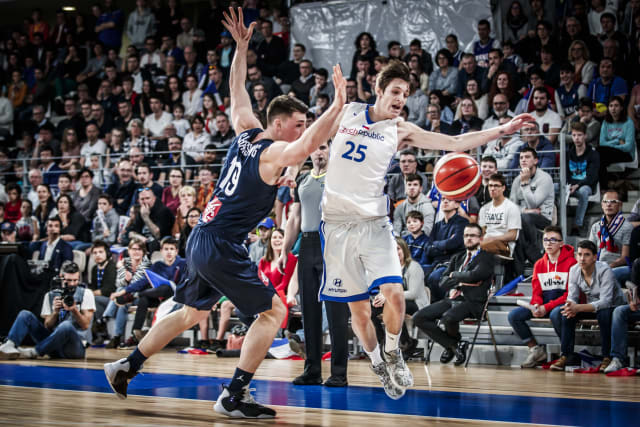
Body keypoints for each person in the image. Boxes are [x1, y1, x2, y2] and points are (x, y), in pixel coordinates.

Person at [104, 8, 348, 419]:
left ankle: (127, 365)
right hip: (219, 244)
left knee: (192, 312)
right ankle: (233, 394)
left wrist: (240, 48)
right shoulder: (272, 152)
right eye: (298, 123)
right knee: (274, 312)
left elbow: (237, 91)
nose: (303, 129)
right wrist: (337, 105)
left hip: (202, 236)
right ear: (280, 125)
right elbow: (306, 146)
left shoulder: (246, 133)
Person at [316, 54, 533, 399]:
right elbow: (313, 136)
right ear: (379, 89)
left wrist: (502, 130)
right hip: (337, 225)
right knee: (358, 311)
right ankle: (377, 363)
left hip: (374, 221)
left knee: (394, 294)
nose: (401, 99)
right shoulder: (348, 111)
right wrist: (333, 106)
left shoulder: (400, 129)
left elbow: (454, 143)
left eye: (406, 94)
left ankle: (393, 352)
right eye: (396, 91)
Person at [279, 141, 350, 387]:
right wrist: (284, 250)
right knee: (309, 310)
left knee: (335, 309)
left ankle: (339, 373)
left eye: (323, 148)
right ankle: (312, 370)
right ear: (309, 153)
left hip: (331, 243)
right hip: (307, 244)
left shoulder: (339, 177)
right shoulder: (302, 180)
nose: (319, 152)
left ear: (331, 151)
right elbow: (294, 218)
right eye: (316, 148)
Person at [413, 223, 494, 366]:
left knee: (448, 318)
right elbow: (442, 281)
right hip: (452, 298)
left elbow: (474, 275)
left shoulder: (486, 257)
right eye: (466, 235)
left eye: (472, 235)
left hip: (473, 301)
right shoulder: (458, 257)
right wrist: (457, 283)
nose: (469, 238)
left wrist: (454, 275)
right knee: (419, 317)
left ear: (481, 238)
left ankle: (452, 346)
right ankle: (453, 345)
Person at [550, 240, 625, 372]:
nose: (582, 258)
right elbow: (572, 297)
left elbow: (606, 302)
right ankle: (567, 355)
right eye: (579, 254)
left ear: (595, 257)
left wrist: (578, 308)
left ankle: (607, 357)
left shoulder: (605, 270)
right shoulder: (574, 270)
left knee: (604, 313)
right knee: (558, 313)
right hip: (591, 306)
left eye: (587, 255)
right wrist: (570, 306)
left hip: (613, 306)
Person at [508, 226, 577, 368]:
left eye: (553, 240)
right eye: (546, 240)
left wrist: (546, 307)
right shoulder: (539, 264)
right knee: (514, 316)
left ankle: (567, 354)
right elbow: (537, 292)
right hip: (545, 305)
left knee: (556, 314)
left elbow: (570, 294)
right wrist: (536, 305)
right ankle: (535, 350)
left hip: (563, 304)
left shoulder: (572, 263)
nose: (549, 243)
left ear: (561, 243)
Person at [0, 260, 95, 360]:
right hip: (53, 345)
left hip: (74, 348)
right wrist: (55, 312)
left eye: (75, 280)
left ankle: (34, 352)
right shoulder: (50, 295)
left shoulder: (86, 293)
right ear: (61, 277)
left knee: (66, 325)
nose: (72, 284)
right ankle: (9, 345)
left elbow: (85, 325)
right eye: (69, 280)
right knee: (25, 314)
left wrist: (74, 310)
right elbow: (47, 326)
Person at [111, 237, 186, 342]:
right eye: (166, 249)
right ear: (161, 251)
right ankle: (135, 334)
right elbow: (142, 281)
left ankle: (135, 296)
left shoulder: (183, 264)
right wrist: (122, 292)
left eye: (171, 249)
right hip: (158, 297)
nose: (169, 252)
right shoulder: (157, 265)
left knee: (167, 287)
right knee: (144, 299)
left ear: (176, 251)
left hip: (175, 296)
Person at [371, 237, 429, 355]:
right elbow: (384, 289)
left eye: (397, 249)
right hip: (394, 301)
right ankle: (383, 343)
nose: (395, 252)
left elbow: (413, 293)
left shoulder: (414, 267)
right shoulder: (388, 269)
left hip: (416, 304)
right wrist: (379, 297)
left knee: (394, 305)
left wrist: (388, 297)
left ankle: (406, 342)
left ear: (404, 250)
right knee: (370, 311)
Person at [510, 147, 555, 263]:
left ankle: (533, 257)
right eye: (521, 157)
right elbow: (512, 207)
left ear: (535, 161)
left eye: (527, 157)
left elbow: (534, 203)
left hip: (543, 217)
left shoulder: (545, 178)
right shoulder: (517, 180)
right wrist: (525, 211)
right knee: (519, 225)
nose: (523, 160)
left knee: (522, 220)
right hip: (524, 217)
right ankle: (534, 258)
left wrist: (525, 184)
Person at [423, 198, 468, 302]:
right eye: (443, 199)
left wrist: (436, 244)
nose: (445, 202)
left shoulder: (462, 223)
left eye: (449, 200)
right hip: (436, 263)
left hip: (451, 263)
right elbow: (427, 248)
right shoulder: (437, 225)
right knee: (415, 272)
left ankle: (440, 305)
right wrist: (444, 247)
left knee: (434, 277)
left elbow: (453, 243)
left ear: (457, 204)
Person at [589, 190, 635, 286]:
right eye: (605, 201)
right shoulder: (596, 226)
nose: (609, 204)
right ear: (602, 205)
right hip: (599, 266)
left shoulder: (627, 227)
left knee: (610, 274)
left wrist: (606, 268)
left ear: (620, 205)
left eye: (613, 201)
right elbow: (590, 252)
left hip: (619, 267)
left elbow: (625, 258)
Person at [605, 259, 640, 372]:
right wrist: (633, 301)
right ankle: (618, 359)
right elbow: (635, 291)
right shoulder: (638, 264)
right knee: (619, 311)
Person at [567, 122, 600, 236]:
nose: (576, 138)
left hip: (585, 186)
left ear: (585, 136)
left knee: (583, 191)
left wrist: (577, 185)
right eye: (574, 135)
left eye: (579, 135)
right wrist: (569, 185)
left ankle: (576, 225)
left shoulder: (593, 154)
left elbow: (592, 177)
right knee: (554, 188)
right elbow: (565, 174)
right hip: (570, 186)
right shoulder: (568, 153)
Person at [478, 173, 522, 257]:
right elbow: (482, 231)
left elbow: (513, 235)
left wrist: (493, 238)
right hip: (487, 242)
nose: (492, 189)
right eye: (490, 186)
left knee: (483, 246)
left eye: (496, 186)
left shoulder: (511, 207)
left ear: (503, 188)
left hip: (505, 245)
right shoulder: (484, 208)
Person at [127, 188, 174, 253]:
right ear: (138, 201)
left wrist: (146, 218)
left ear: (154, 199)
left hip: (160, 246)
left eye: (147, 198)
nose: (145, 201)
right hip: (143, 245)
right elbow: (130, 233)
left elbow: (157, 235)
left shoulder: (164, 211)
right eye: (142, 199)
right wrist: (140, 238)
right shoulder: (140, 211)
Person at [88, 240, 117, 344]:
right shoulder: (94, 269)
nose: (98, 255)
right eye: (95, 253)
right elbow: (93, 287)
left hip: (112, 300)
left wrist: (91, 294)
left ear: (107, 253)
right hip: (100, 299)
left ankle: (101, 329)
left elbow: (109, 290)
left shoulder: (112, 267)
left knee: (93, 299)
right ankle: (93, 332)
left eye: (100, 252)